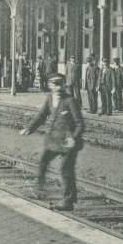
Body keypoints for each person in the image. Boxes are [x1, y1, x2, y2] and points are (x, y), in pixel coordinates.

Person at [19, 74, 84, 212]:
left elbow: (80, 123)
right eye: (55, 84)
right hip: (53, 140)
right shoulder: (49, 98)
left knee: (66, 170)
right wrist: (29, 128)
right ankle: (39, 190)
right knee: (43, 162)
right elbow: (41, 116)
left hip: (68, 143)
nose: (58, 87)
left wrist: (73, 137)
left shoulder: (70, 100)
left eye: (60, 84)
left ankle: (68, 201)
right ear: (50, 85)